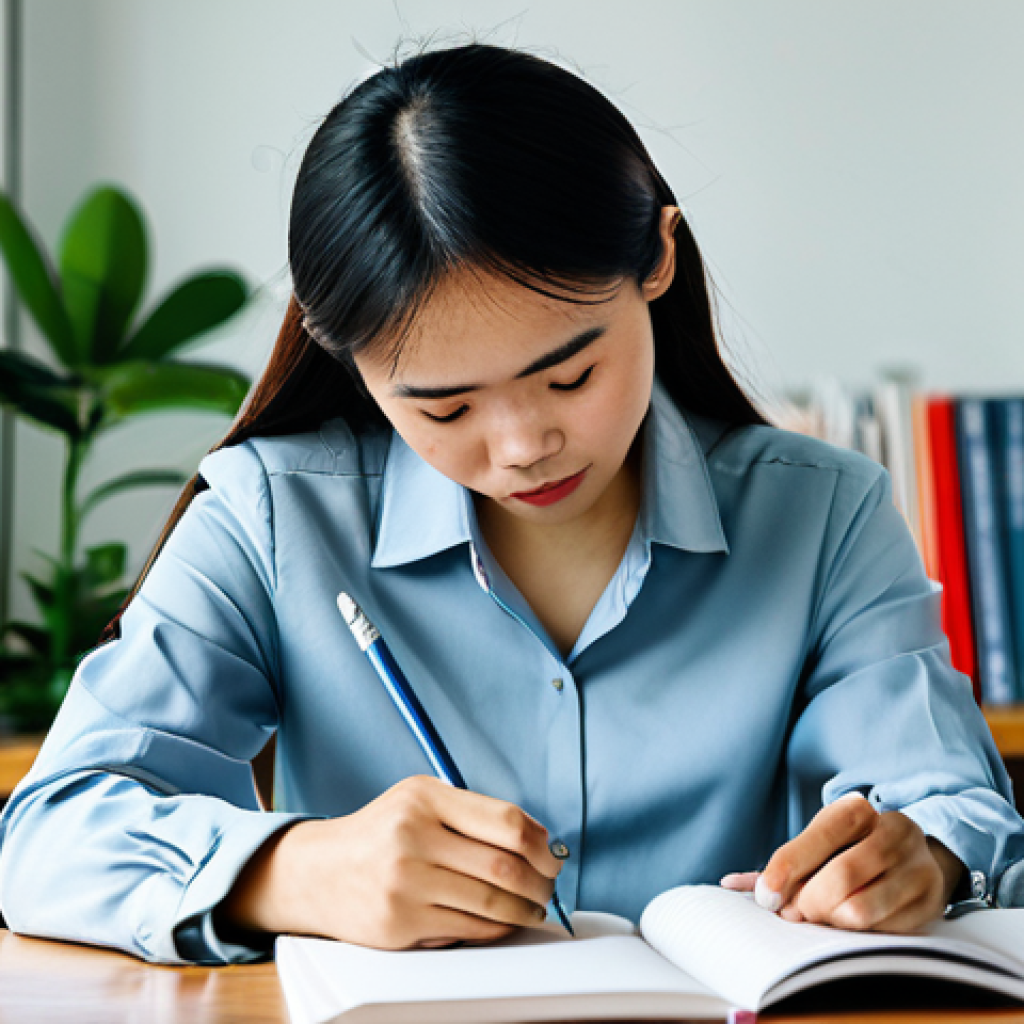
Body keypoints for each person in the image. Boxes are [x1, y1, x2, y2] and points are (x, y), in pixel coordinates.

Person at [0, 42, 1021, 966]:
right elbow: (49, 833)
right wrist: (299, 870)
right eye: (442, 405)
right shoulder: (273, 522)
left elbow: (959, 809)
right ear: (344, 355)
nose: (523, 446)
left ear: (657, 257)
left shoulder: (823, 516)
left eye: (570, 377)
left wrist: (921, 858)